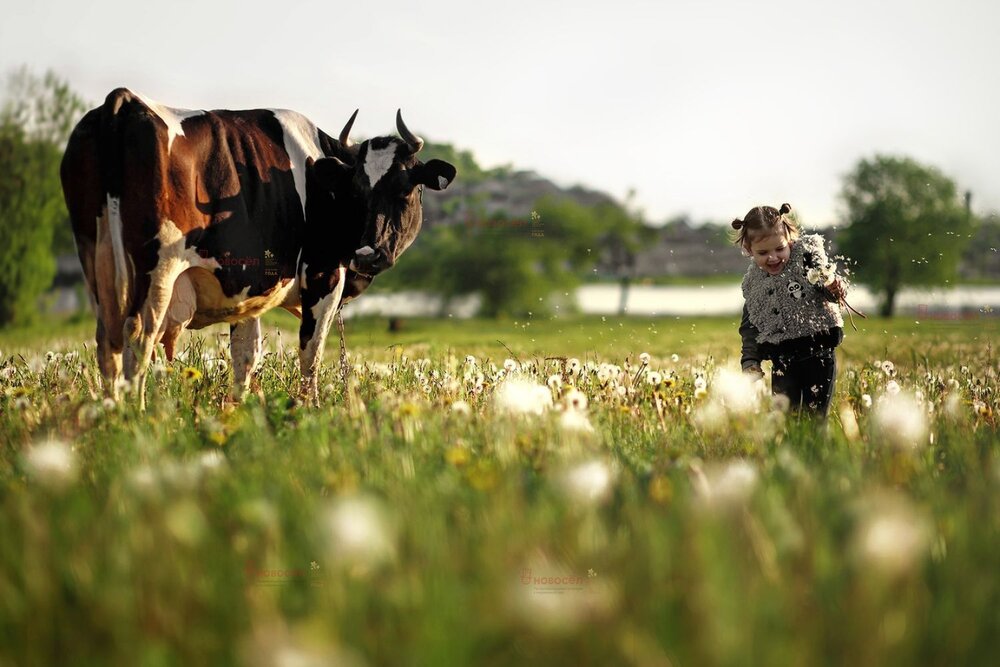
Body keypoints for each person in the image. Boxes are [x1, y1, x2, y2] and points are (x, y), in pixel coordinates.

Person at [732, 203, 848, 416]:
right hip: (782, 360)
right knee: (786, 416)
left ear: (790, 240)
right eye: (763, 252)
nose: (773, 257)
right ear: (749, 251)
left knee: (815, 415)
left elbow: (830, 291)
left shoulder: (807, 259)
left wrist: (834, 287)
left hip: (819, 351)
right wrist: (750, 360)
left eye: (779, 248)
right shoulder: (753, 285)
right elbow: (751, 325)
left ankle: (816, 447)